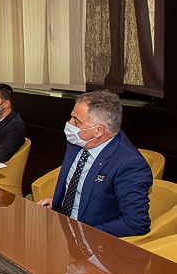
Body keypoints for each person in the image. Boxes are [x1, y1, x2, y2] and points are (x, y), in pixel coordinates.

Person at [39, 90, 152, 238]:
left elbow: (135, 223)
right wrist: (59, 203)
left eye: (76, 121)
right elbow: (82, 189)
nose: (69, 124)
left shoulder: (129, 164)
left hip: (91, 240)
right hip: (61, 226)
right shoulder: (77, 141)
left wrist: (84, 233)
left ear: (98, 131)